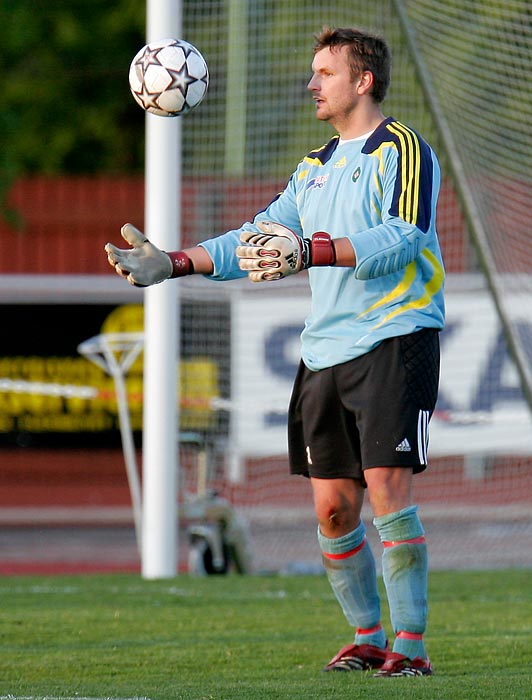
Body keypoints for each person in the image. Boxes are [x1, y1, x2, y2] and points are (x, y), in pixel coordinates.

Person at [105, 26, 444, 678]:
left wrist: (310, 250)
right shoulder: (313, 165)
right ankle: (366, 636)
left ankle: (409, 649)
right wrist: (172, 263)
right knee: (331, 507)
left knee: (386, 489)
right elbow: (258, 237)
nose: (311, 83)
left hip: (396, 336)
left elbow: (403, 236)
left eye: (324, 72)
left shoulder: (402, 150)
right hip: (325, 350)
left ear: (362, 80)